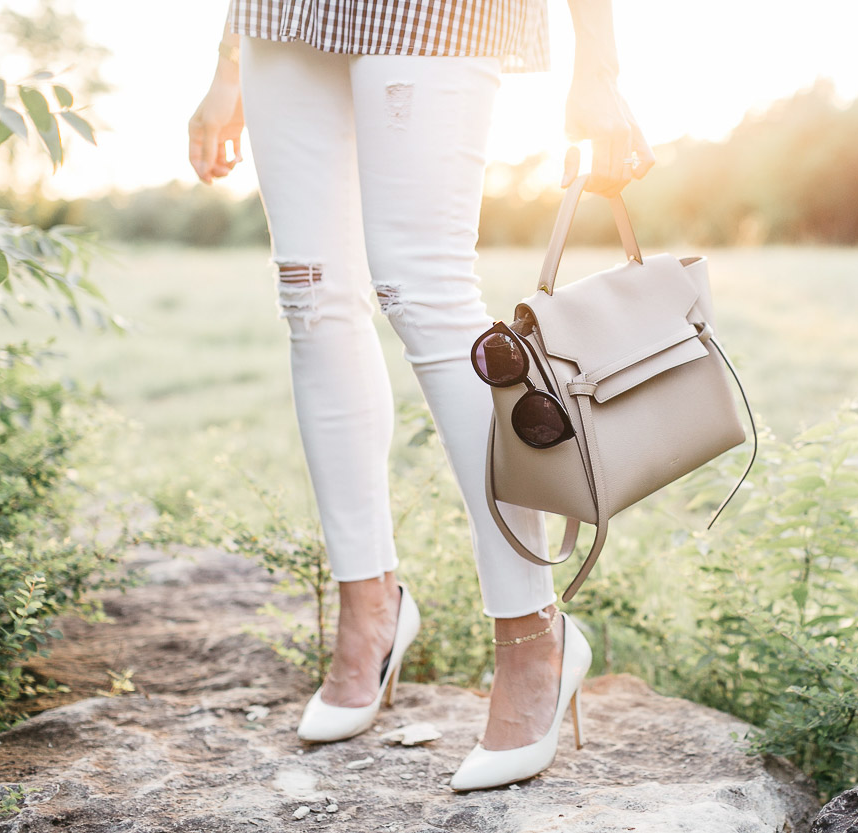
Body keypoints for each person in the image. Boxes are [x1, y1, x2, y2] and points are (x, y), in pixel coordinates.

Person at [187, 0, 654, 791]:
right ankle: (369, 607)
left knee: (425, 290)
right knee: (311, 295)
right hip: (279, 15)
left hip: (434, 12)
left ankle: (533, 632)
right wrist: (226, 60)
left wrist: (599, 63)